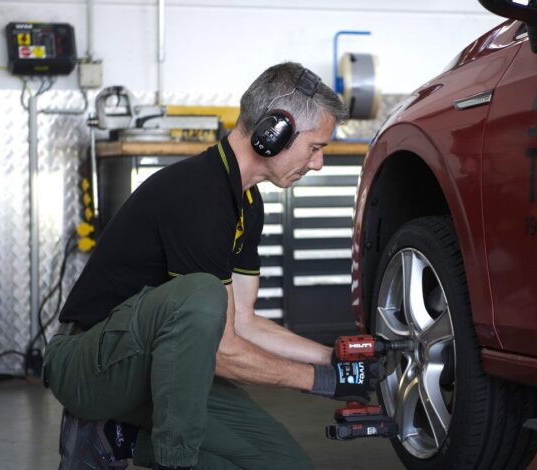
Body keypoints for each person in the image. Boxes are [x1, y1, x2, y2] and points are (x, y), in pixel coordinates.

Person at [42, 62, 381, 470]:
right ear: (275, 132)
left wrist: (334, 359)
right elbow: (221, 350)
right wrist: (323, 382)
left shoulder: (247, 204)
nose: (318, 164)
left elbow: (243, 324)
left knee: (282, 462)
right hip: (89, 365)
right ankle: (174, 460)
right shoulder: (197, 194)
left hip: (160, 367)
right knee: (202, 294)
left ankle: (113, 439)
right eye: (315, 147)